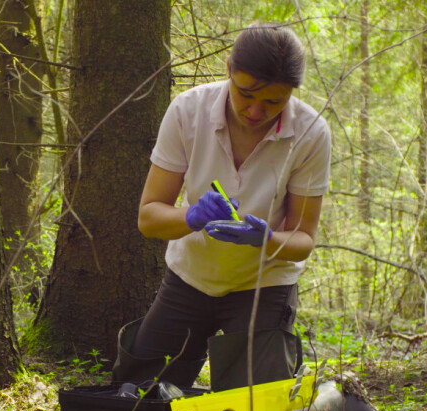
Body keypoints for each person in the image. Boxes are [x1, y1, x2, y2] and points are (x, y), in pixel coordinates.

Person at [111, 22, 331, 391]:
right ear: (228, 68)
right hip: (191, 275)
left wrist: (266, 239)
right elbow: (149, 217)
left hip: (265, 282)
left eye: (273, 101)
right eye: (245, 94)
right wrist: (191, 217)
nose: (256, 111)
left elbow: (304, 237)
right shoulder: (188, 111)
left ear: (292, 93)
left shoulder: (311, 133)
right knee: (137, 396)